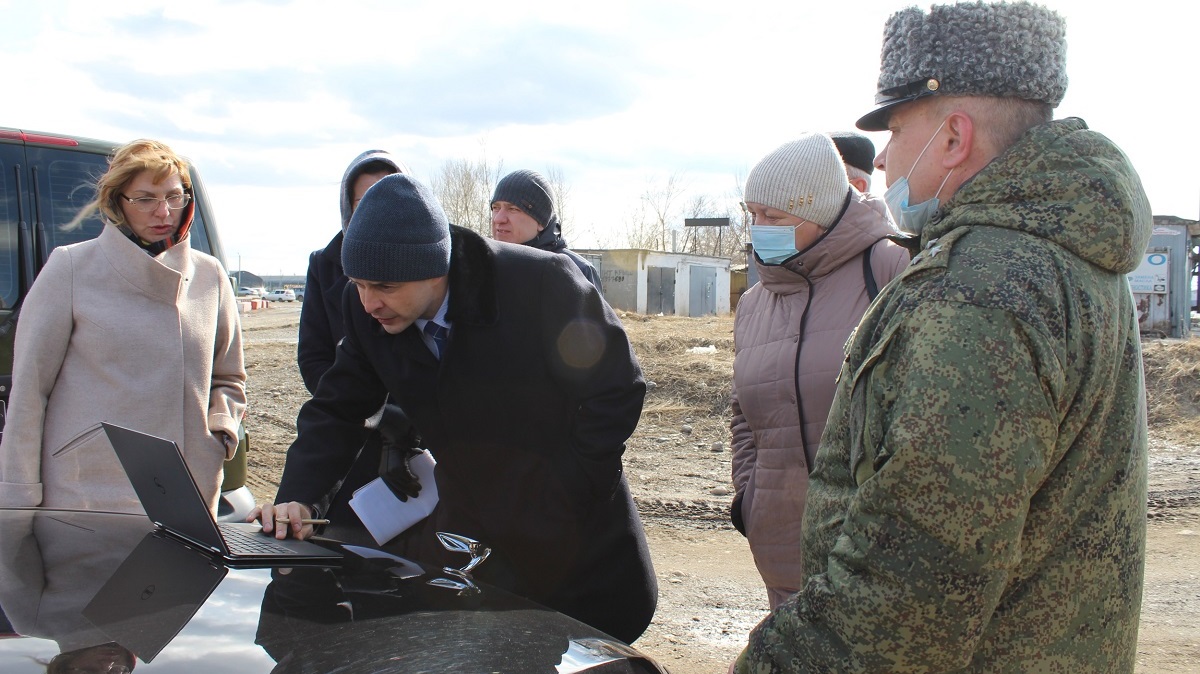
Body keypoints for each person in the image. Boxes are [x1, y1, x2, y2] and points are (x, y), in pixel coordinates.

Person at [734, 2, 1152, 672]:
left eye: (897, 131)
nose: (887, 159)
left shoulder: (980, 291)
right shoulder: (1063, 254)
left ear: (953, 139)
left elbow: (909, 588)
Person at [253, 173, 656, 643]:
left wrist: (568, 487)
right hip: (474, 536)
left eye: (382, 286)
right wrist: (300, 496)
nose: (368, 304)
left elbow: (617, 388)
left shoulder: (540, 283)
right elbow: (337, 409)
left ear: (434, 267)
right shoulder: (367, 310)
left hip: (576, 538)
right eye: (358, 284)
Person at [0, 139, 246, 515]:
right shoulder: (70, 268)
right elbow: (30, 392)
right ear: (118, 202)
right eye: (145, 198)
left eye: (174, 196)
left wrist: (219, 432)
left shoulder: (210, 275)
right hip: (87, 489)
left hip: (188, 486)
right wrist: (18, 494)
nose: (163, 211)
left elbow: (229, 376)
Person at [729, 133, 909, 610]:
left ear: (822, 213)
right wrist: (751, 498)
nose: (759, 228)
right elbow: (743, 417)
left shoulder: (893, 270)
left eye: (775, 216)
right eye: (753, 215)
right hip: (780, 548)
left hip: (873, 554)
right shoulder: (752, 303)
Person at [296, 149, 414, 543]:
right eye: (365, 201)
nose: (372, 300)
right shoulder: (330, 271)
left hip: (415, 436)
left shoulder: (420, 276)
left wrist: (404, 423)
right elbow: (316, 360)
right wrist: (371, 413)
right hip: (354, 430)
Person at [490, 169, 603, 291]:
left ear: (541, 222)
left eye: (513, 209)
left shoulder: (578, 273)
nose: (498, 219)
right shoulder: (480, 268)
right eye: (495, 208)